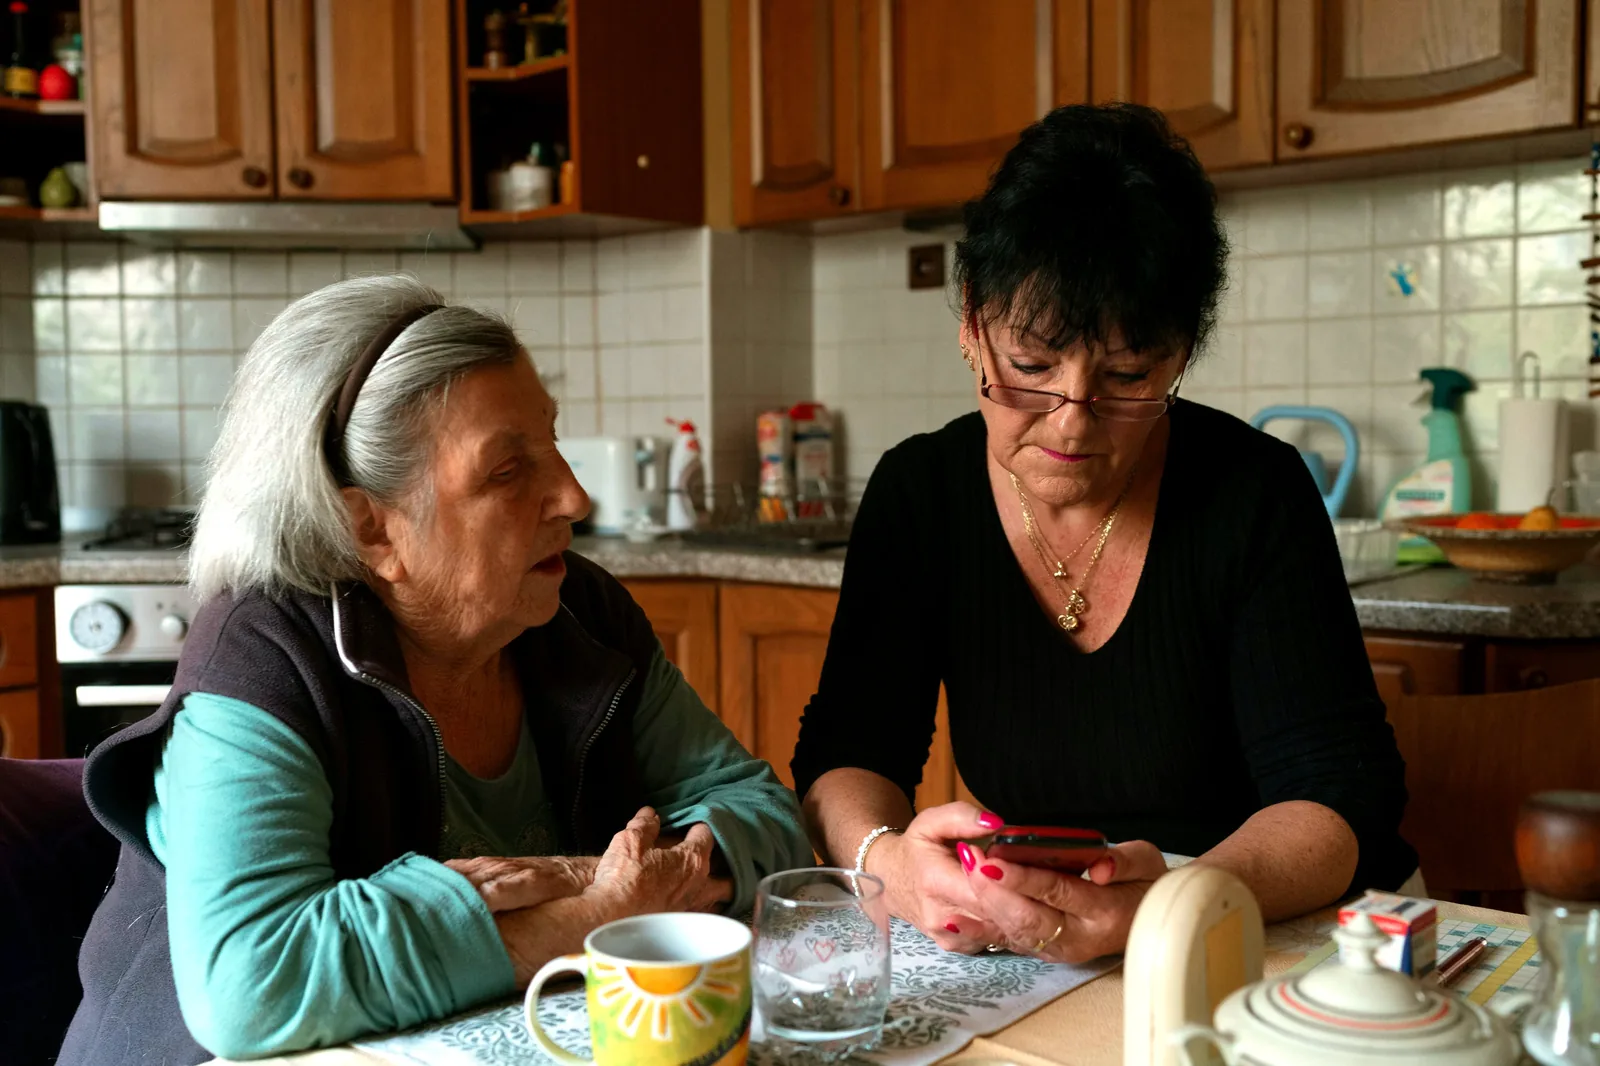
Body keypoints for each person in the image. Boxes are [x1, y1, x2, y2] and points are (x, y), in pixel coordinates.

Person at [61, 276, 813, 1064]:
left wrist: (622, 881)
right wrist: (587, 914)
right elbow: (253, 983)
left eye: (552, 441)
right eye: (506, 471)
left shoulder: (576, 612)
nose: (574, 496)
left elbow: (759, 809)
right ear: (371, 528)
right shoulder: (267, 653)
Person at [791, 103, 1417, 965]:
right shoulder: (919, 493)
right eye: (1033, 367)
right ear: (973, 323)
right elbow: (850, 750)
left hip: (1252, 923)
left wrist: (1169, 905)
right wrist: (889, 861)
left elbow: (1338, 796)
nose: (1074, 418)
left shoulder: (1254, 491)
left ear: (1182, 354)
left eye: (1127, 375)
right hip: (1039, 947)